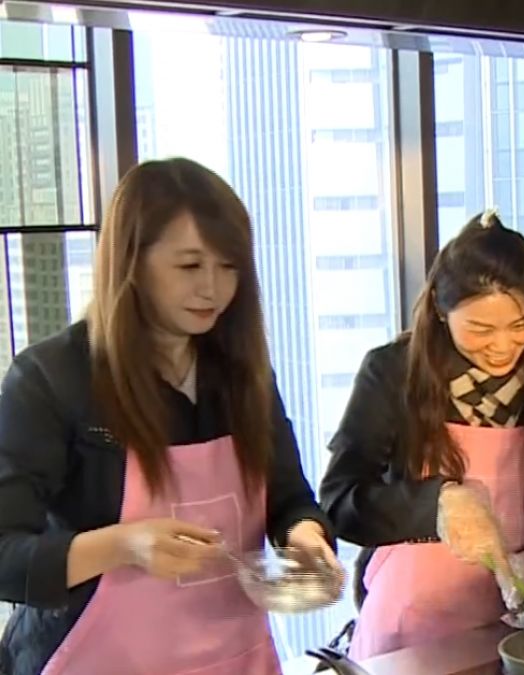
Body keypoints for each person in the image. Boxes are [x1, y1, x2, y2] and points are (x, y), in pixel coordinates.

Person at [0, 158, 339, 675]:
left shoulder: (242, 375)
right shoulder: (51, 379)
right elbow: (5, 555)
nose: (213, 289)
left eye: (229, 267)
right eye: (189, 266)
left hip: (234, 659)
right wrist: (123, 545)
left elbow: (290, 499)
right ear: (131, 262)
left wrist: (306, 539)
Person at [320, 211, 524, 660]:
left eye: (521, 325)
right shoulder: (393, 372)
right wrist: (436, 505)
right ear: (441, 311)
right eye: (481, 329)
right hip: (408, 629)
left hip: (514, 630)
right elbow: (339, 504)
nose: (503, 346)